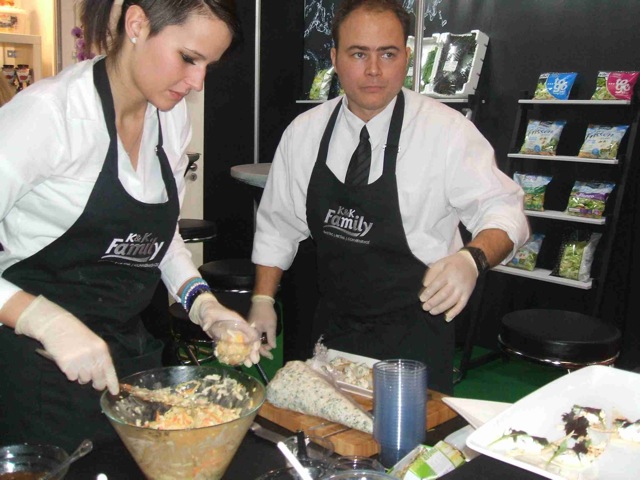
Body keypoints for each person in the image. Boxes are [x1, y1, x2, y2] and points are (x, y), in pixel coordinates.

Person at [0, 0, 260, 451]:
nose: (198, 82)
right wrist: (45, 321)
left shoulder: (170, 120)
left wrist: (203, 304)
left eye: (208, 66)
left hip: (124, 357)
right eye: (188, 58)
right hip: (34, 372)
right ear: (137, 24)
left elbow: (158, 236)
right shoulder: (49, 116)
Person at [248, 0, 529, 395]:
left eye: (388, 54)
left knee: (410, 433)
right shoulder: (303, 134)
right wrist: (263, 298)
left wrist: (472, 259)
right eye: (358, 54)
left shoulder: (446, 132)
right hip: (331, 328)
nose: (374, 70)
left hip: (417, 331)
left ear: (407, 58)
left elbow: (504, 209)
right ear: (334, 58)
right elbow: (278, 226)